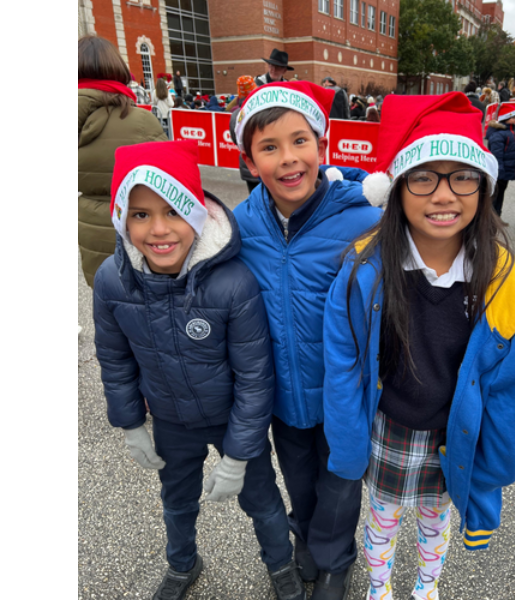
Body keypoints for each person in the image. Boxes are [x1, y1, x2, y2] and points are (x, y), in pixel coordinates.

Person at [324, 91, 515, 600]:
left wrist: (497, 463)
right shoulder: (363, 271)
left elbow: (512, 387)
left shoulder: (507, 284)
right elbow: (342, 365)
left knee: (434, 523)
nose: (444, 195)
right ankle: (379, 589)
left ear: (484, 187)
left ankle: (427, 588)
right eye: (424, 177)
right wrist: (347, 444)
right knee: (381, 522)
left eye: (463, 176)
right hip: (388, 428)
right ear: (398, 188)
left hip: (452, 437)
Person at [93, 139, 307, 600]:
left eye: (173, 211)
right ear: (122, 218)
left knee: (262, 501)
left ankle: (280, 565)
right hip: (171, 419)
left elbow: (254, 376)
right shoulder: (111, 281)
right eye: (140, 214)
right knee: (176, 501)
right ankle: (182, 563)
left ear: (196, 213)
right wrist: (130, 423)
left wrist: (239, 452)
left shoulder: (234, 283)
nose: (159, 229)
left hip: (232, 419)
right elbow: (114, 358)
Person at [231, 80, 383, 600]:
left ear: (322, 144)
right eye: (269, 147)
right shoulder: (240, 225)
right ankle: (306, 539)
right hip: (281, 393)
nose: (289, 158)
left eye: (300, 141)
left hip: (344, 392)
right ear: (250, 162)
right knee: (297, 475)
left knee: (340, 482)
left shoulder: (365, 220)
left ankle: (335, 559)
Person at [78, 35, 167, 288]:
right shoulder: (140, 121)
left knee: (106, 298)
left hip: (90, 227)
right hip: (137, 229)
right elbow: (173, 181)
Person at [486, 103, 515, 219]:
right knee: (495, 196)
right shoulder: (499, 134)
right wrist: (499, 172)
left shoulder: (511, 132)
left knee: (500, 195)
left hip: (506, 171)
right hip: (500, 172)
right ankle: (492, 219)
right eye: (512, 117)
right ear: (505, 118)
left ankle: (497, 217)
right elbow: (497, 155)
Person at [228, 75, 262, 192]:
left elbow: (235, 139)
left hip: (247, 164)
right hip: (263, 162)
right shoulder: (262, 110)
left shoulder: (235, 115)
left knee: (254, 197)